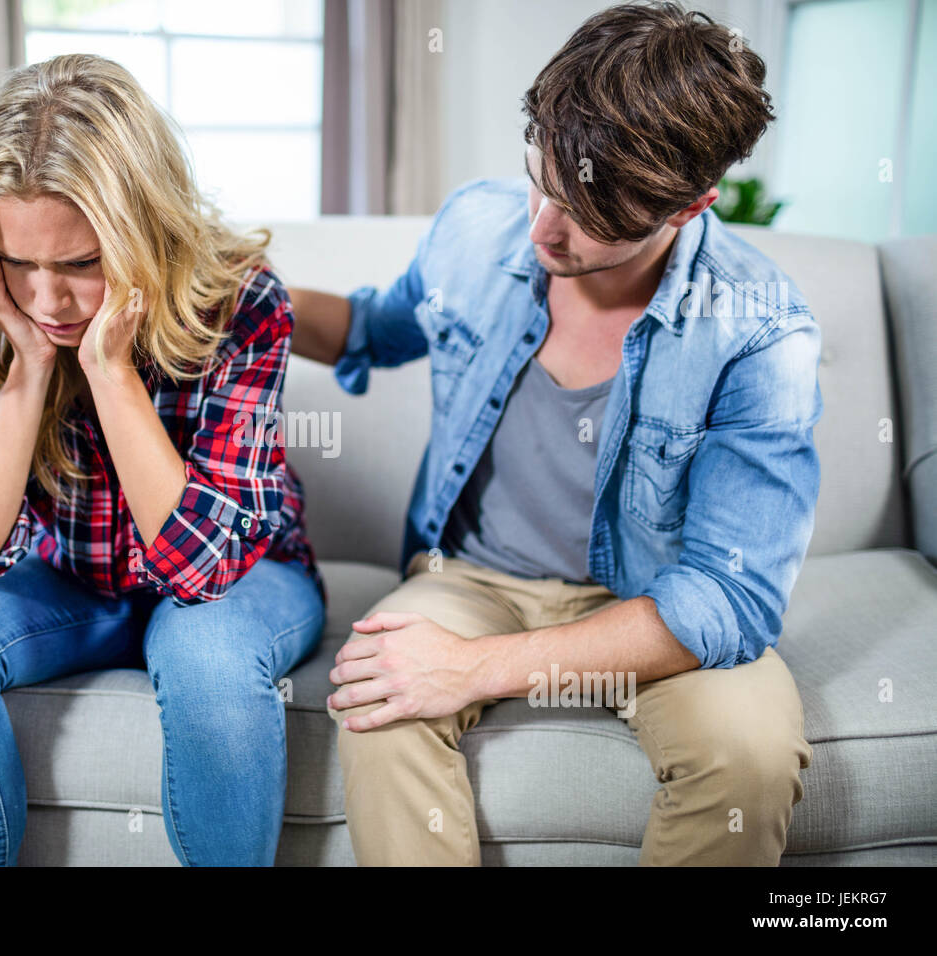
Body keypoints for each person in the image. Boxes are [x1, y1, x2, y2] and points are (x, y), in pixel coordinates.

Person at [288, 1, 819, 866]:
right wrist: (235, 288)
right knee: (377, 702)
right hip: (471, 577)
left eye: (590, 215)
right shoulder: (478, 224)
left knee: (750, 756)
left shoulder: (762, 331)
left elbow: (730, 598)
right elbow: (376, 329)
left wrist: (477, 669)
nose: (541, 229)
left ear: (689, 206)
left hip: (648, 600)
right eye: (541, 177)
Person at [0, 53, 325, 867]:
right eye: (18, 263)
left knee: (209, 658)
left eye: (81, 265)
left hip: (240, 572)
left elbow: (202, 570)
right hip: (69, 581)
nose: (47, 300)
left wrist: (110, 370)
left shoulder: (244, 303)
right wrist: (26, 374)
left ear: (142, 233)